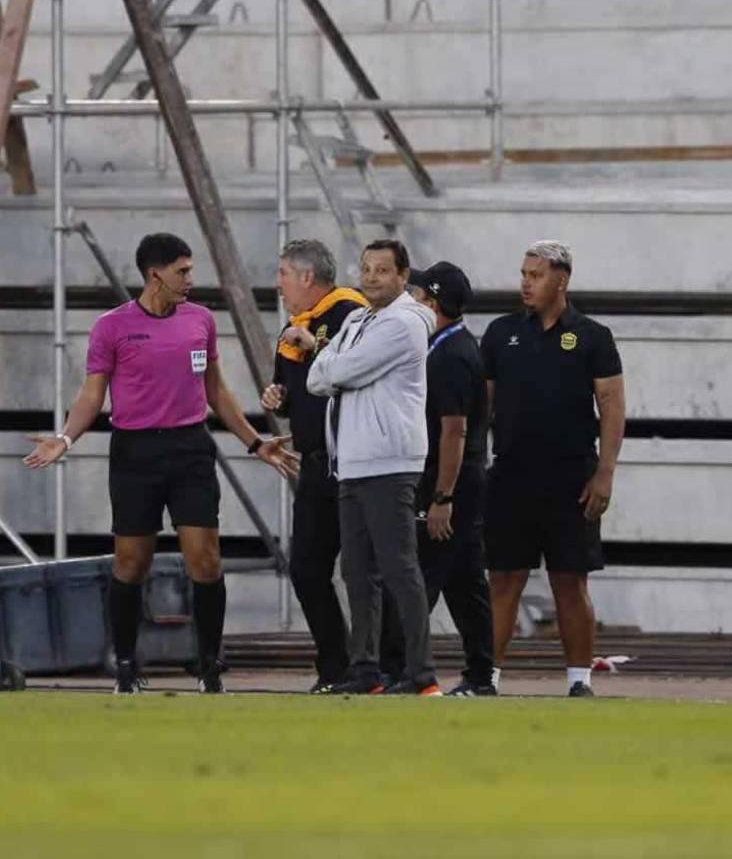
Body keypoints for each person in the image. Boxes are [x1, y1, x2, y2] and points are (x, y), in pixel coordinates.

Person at [23, 233, 298, 695]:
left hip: (190, 450)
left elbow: (217, 390)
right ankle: (127, 667)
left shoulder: (201, 321)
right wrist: (66, 438)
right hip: (134, 453)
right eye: (183, 272)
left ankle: (210, 667)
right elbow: (94, 394)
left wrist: (256, 442)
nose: (191, 280)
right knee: (131, 563)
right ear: (156, 274)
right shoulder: (112, 327)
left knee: (206, 561)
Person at [481, 240, 625, 697]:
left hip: (570, 476)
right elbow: (479, 405)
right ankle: (486, 676)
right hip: (510, 473)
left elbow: (613, 406)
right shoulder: (501, 333)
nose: (526, 283)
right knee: (503, 577)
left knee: (570, 578)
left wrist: (605, 472)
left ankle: (579, 680)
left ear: (561, 280)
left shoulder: (592, 336)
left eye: (536, 275)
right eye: (523, 273)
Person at [306, 239, 441, 696]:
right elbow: (315, 376)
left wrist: (333, 367)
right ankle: (366, 672)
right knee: (357, 572)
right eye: (366, 269)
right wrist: (333, 367)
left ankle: (422, 675)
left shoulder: (404, 324)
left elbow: (338, 373)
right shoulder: (358, 318)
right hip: (353, 462)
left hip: (390, 461)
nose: (370, 278)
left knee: (400, 568)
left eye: (382, 270)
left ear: (403, 277)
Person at [260, 239, 368, 694]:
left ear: (307, 277)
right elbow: (292, 389)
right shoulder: (294, 326)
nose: (278, 283)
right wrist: (277, 400)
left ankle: (378, 667)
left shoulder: (353, 314)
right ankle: (335, 665)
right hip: (316, 464)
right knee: (306, 567)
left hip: (358, 464)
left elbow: (359, 374)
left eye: (283, 273)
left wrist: (315, 347)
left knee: (367, 570)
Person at [402, 261, 497, 697]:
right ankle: (480, 674)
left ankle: (410, 671)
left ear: (432, 302)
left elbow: (454, 430)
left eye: (417, 295)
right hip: (459, 479)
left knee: (423, 576)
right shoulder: (444, 346)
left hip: (450, 481)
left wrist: (442, 496)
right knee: (464, 581)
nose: (410, 301)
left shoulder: (451, 355)